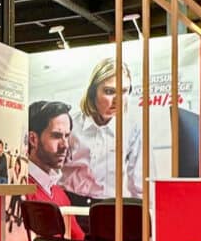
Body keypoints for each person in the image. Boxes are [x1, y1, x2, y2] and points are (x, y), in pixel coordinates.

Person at [62, 59, 144, 199]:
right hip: (69, 201)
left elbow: (138, 184)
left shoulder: (132, 128)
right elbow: (51, 171)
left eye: (124, 91)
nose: (118, 100)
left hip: (108, 204)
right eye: (109, 91)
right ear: (92, 92)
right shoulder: (70, 124)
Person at [26, 100, 72, 208]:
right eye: (56, 136)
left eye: (67, 136)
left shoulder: (62, 196)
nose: (65, 145)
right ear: (33, 139)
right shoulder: (20, 194)